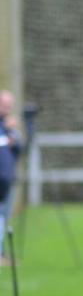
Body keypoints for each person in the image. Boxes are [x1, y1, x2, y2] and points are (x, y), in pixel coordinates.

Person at [0, 90, 22, 267]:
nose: (7, 108)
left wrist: (11, 131)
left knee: (3, 217)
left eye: (9, 105)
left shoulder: (9, 128)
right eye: (4, 104)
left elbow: (20, 149)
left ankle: (1, 254)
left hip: (7, 180)